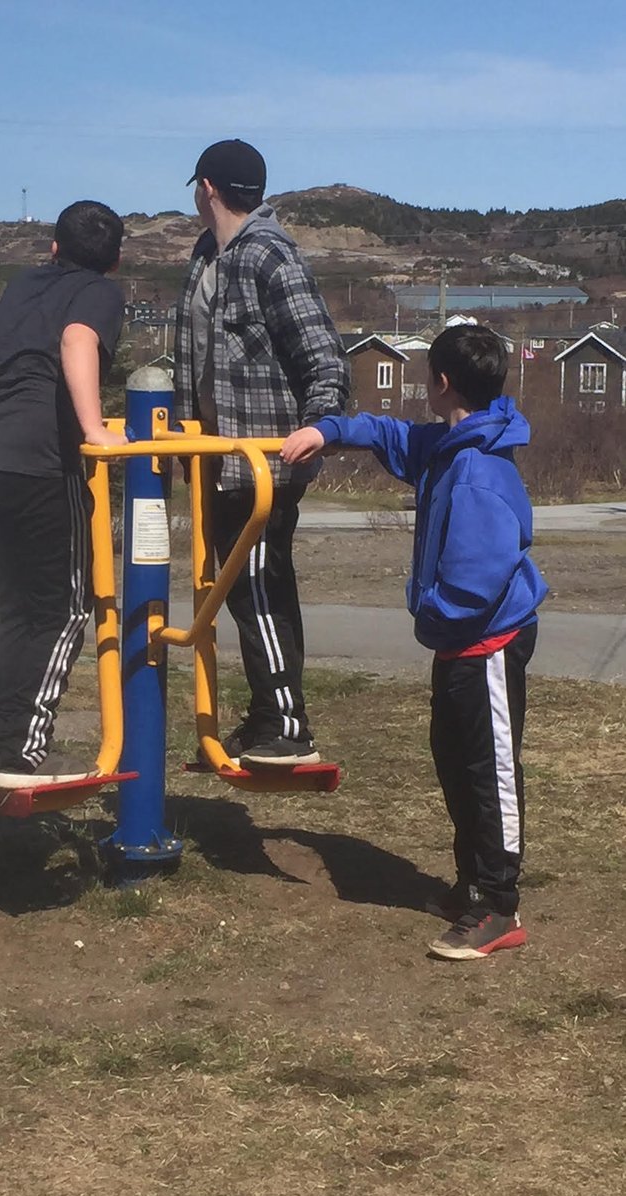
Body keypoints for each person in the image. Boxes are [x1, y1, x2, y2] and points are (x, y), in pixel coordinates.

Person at [282, 325, 547, 960]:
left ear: (442, 383)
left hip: (485, 645)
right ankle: (471, 885)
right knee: (456, 766)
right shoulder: (451, 443)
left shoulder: (478, 472)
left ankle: (499, 905)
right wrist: (328, 430)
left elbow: (474, 587)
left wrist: (424, 609)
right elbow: (390, 434)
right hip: (457, 647)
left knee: (490, 776)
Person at [175, 139, 349, 769]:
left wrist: (319, 426)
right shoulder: (206, 258)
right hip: (216, 458)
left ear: (208, 188)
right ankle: (261, 717)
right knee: (240, 587)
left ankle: (288, 723)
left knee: (256, 584)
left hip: (265, 457)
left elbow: (322, 355)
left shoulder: (268, 254)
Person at [0, 200, 127, 791]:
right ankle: (23, 753)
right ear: (116, 259)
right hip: (39, 462)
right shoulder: (99, 292)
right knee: (63, 608)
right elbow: (77, 343)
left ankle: (2, 746)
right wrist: (94, 429)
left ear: (52, 248)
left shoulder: (25, 283)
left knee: (17, 608)